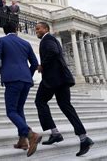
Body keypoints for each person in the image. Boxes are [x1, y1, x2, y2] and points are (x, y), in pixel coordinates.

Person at [34, 22, 94, 156]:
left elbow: (53, 52)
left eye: (38, 29)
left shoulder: (47, 39)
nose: (36, 31)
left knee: (40, 101)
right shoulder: (52, 39)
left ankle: (55, 133)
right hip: (62, 79)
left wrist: (42, 65)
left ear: (45, 29)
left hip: (53, 79)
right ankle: (83, 138)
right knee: (66, 106)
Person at [0, 22, 41, 156]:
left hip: (12, 79)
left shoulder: (2, 40)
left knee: (11, 111)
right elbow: (35, 63)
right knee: (19, 109)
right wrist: (27, 75)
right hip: (26, 80)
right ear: (16, 30)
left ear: (4, 30)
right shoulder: (25, 43)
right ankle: (22, 141)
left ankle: (30, 134)